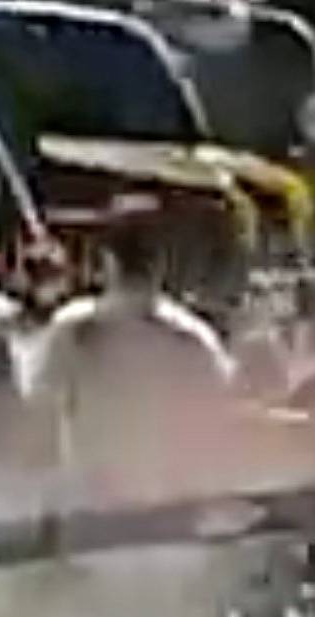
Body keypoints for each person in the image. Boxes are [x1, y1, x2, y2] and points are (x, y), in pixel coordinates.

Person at [31, 207, 244, 509]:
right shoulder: (193, 340)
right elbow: (220, 423)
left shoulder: (73, 333)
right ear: (161, 264)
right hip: (171, 516)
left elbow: (39, 418)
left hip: (93, 519)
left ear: (107, 263)